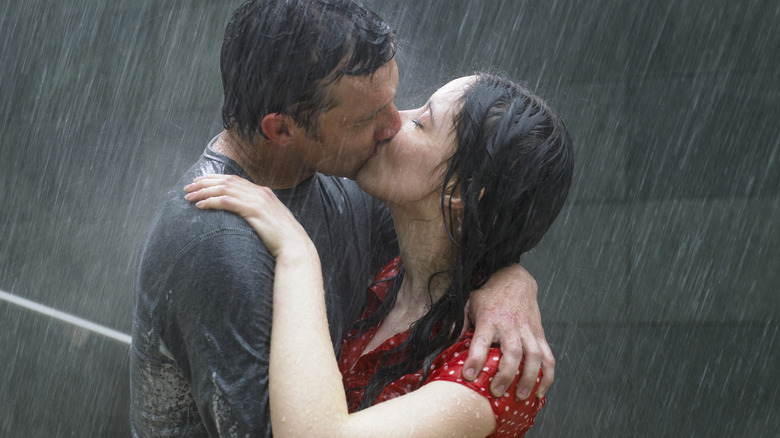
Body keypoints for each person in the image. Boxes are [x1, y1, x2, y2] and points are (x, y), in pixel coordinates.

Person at [131, 0, 554, 436]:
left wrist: (509, 279)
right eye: (370, 117)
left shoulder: (355, 186)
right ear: (281, 130)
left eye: (403, 108)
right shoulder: (218, 246)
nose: (392, 125)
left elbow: (469, 232)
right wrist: (299, 255)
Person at [185, 73, 573, 437]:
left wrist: (296, 252)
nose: (391, 123)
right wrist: (513, 276)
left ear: (462, 191)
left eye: (422, 122)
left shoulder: (497, 365)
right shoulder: (388, 269)